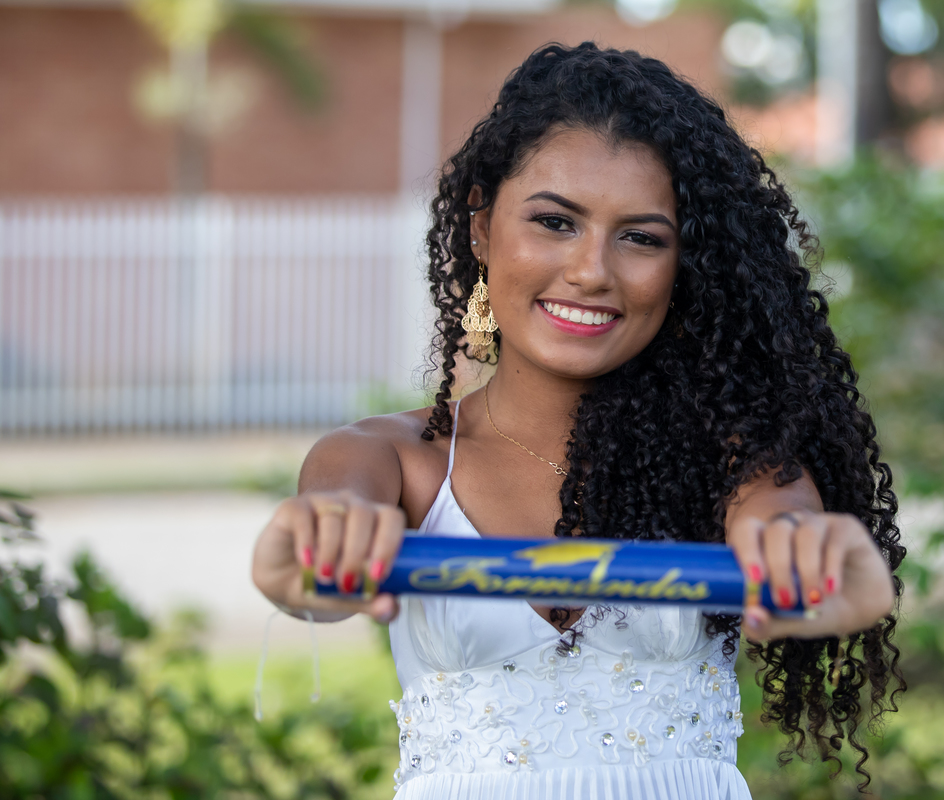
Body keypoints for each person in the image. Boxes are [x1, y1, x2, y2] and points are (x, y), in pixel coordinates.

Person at [252, 42, 904, 799]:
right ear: (481, 226)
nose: (593, 270)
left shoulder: (734, 459)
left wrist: (811, 562)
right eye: (556, 222)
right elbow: (319, 572)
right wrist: (313, 554)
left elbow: (794, 545)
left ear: (682, 266)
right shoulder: (386, 461)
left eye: (641, 237)